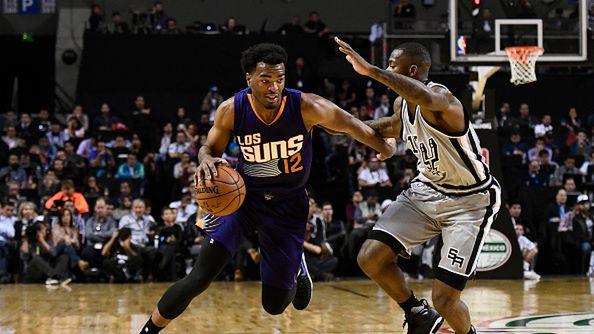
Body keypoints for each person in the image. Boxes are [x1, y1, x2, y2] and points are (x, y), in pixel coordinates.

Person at [140, 43, 395, 333]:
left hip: (288, 205)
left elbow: (350, 124)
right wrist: (205, 159)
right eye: (265, 80)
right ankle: (148, 330)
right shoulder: (231, 110)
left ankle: (297, 264)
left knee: (274, 305)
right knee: (199, 277)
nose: (273, 87)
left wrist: (383, 148)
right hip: (242, 198)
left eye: (279, 79)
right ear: (249, 78)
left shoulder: (306, 106)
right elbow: (209, 147)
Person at [335, 37, 501, 334]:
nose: (387, 70)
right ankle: (417, 313)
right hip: (426, 191)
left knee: (445, 299)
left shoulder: (443, 101)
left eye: (392, 66)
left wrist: (372, 70)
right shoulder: (403, 105)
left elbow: (426, 98)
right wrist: (331, 124)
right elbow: (385, 128)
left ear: (411, 71)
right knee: (370, 257)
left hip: (469, 202)